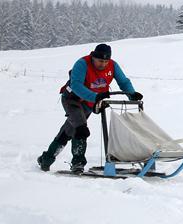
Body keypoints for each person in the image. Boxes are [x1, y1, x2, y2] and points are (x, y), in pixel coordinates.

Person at [37, 43, 142, 173]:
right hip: (72, 100)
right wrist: (96, 96)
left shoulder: (113, 65)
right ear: (93, 57)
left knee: (68, 131)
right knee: (81, 128)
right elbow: (76, 85)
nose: (103, 64)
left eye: (105, 61)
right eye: (100, 61)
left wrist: (132, 94)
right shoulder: (82, 64)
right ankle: (78, 163)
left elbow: (123, 82)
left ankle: (46, 159)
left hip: (89, 103)